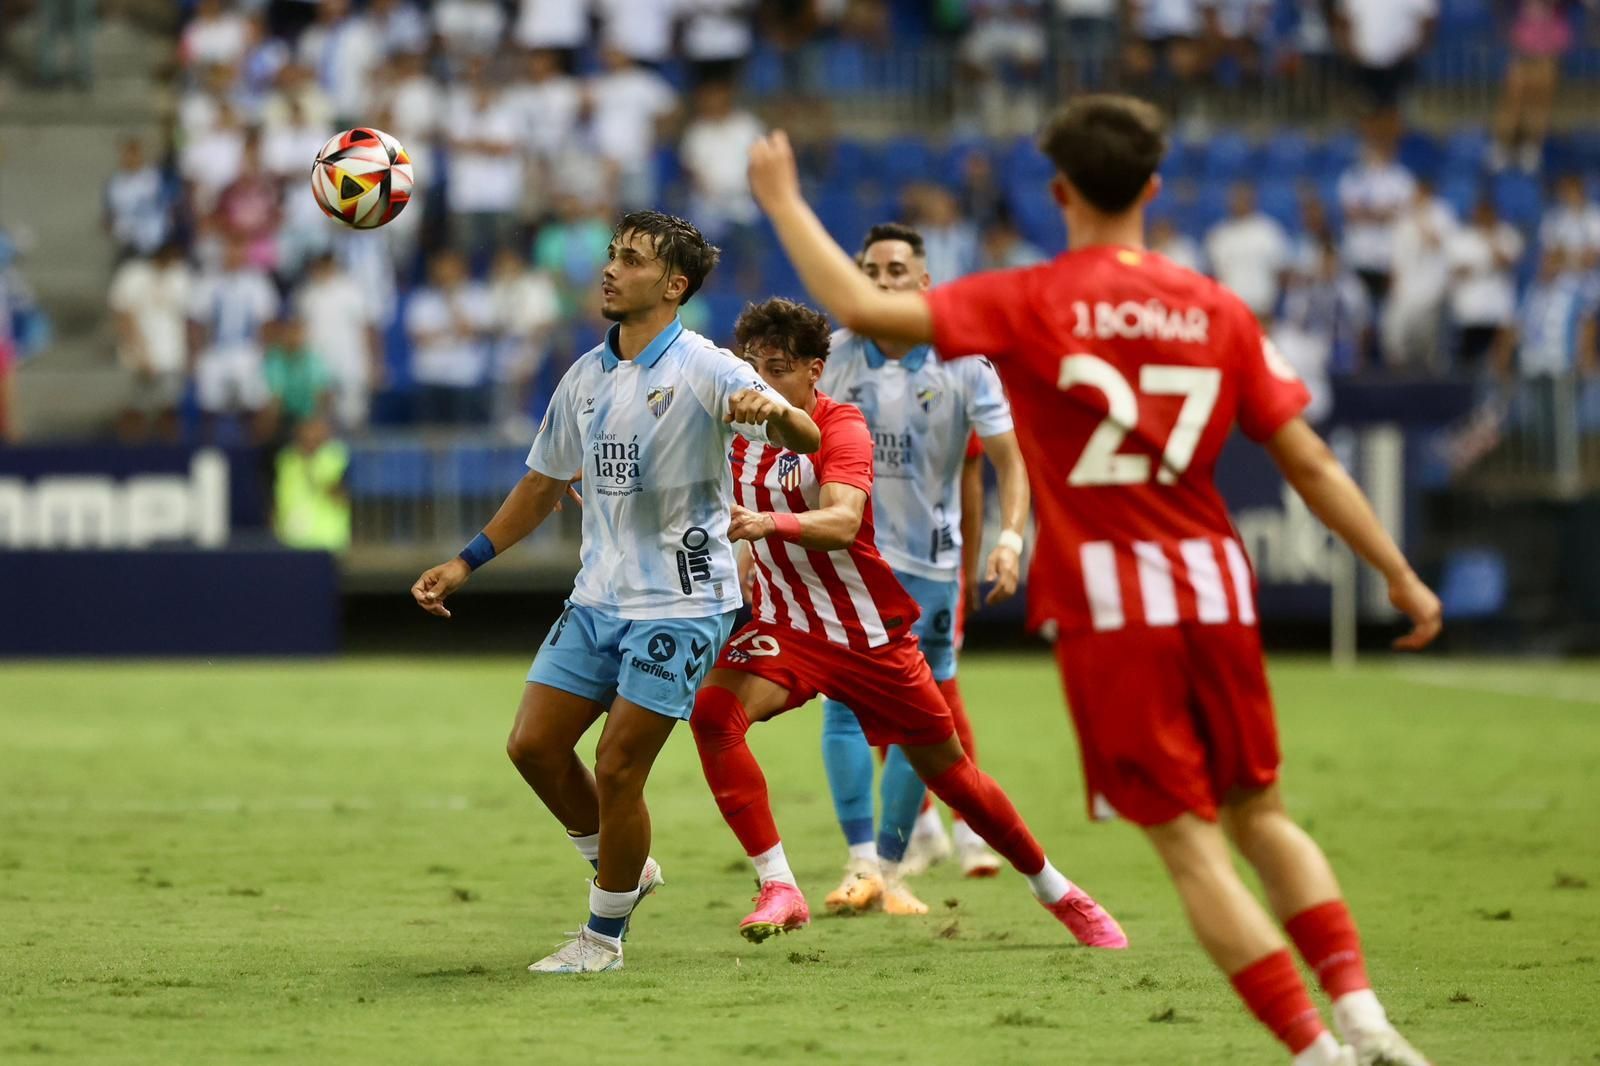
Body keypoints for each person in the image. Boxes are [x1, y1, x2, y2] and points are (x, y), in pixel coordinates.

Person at [747, 94, 1442, 1066]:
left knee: (1191, 845)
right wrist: (1399, 574)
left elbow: (861, 309)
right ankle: (1363, 1015)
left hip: (1113, 605)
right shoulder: (1215, 306)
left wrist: (783, 199)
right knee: (1263, 816)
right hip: (1216, 584)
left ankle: (1316, 1053)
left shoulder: (1031, 298)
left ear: (1059, 190)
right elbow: (1313, 463)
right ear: (1153, 187)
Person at [408, 212, 821, 976]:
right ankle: (625, 866)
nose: (610, 269)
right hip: (599, 596)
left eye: (631, 259)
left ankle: (602, 939)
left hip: (684, 603)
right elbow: (542, 484)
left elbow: (806, 436)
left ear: (673, 286)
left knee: (619, 767)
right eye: (611, 255)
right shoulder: (585, 377)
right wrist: (467, 562)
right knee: (532, 747)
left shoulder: (707, 367)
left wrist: (779, 412)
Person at [689, 296, 1125, 949]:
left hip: (866, 635)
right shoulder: (732, 430)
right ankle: (780, 884)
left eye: (777, 369)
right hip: (787, 626)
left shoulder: (842, 424)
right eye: (753, 368)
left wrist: (765, 525)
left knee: (954, 776)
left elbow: (842, 521)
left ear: (814, 371)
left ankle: (1055, 889)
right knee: (713, 715)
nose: (761, 382)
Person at [812, 223, 1033, 915]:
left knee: (922, 715)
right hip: (850, 559)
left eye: (896, 272)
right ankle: (861, 863)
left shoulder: (965, 362)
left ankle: (892, 862)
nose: (882, 283)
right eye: (870, 271)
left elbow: (1009, 462)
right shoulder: (834, 357)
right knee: (843, 703)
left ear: (923, 283)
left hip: (931, 567)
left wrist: (1009, 539)